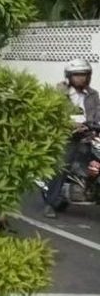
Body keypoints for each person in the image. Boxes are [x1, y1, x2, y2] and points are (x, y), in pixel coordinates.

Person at [44, 58, 100, 218]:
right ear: (69, 76)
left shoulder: (93, 94)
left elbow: (97, 113)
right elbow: (53, 114)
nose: (81, 78)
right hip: (67, 137)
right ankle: (50, 203)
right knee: (62, 167)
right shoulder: (60, 92)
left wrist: (94, 125)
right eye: (77, 75)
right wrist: (69, 126)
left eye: (84, 75)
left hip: (89, 136)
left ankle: (90, 188)